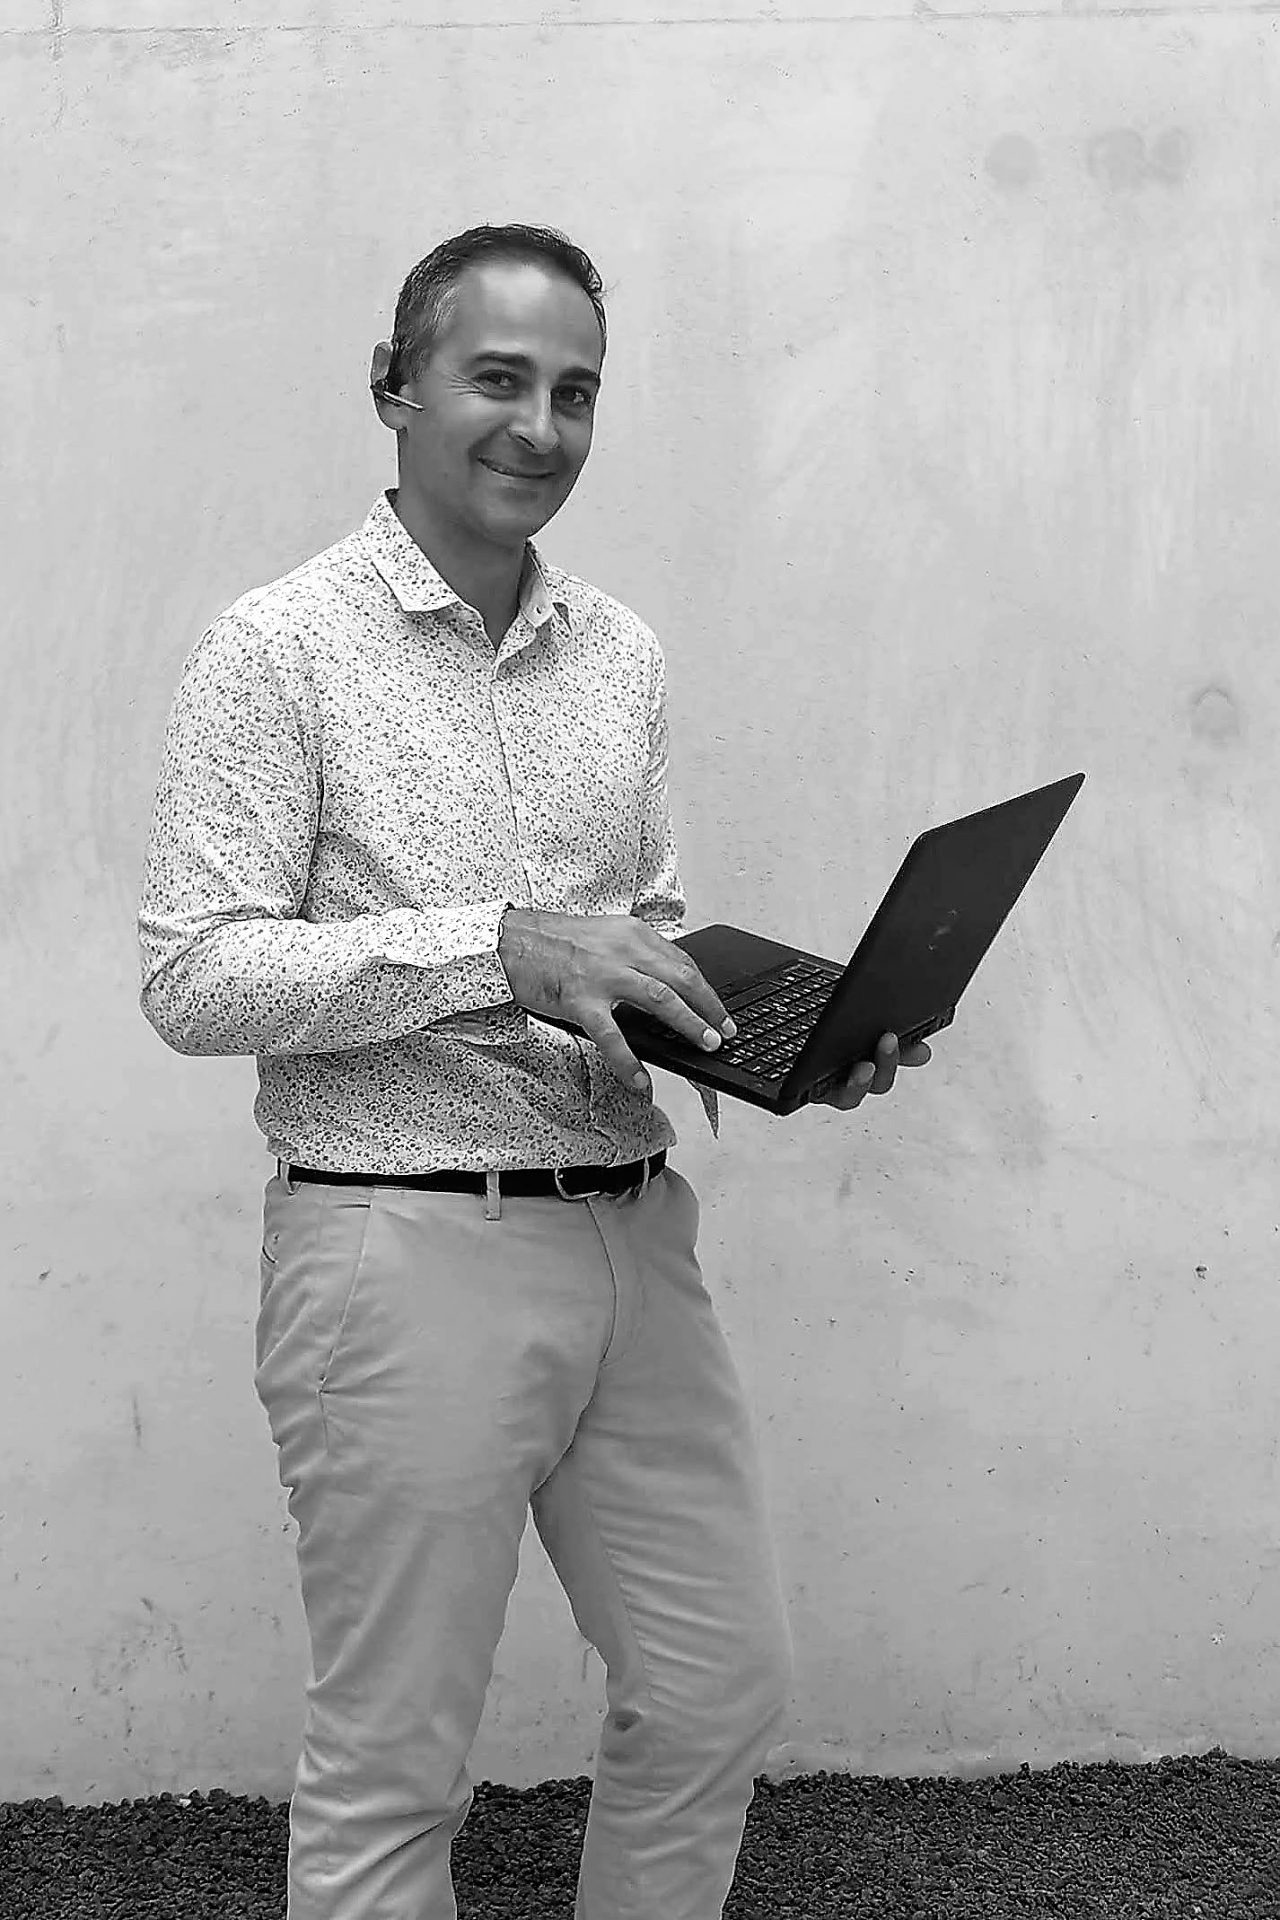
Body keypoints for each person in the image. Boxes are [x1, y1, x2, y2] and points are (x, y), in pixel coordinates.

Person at [137, 223, 929, 1920]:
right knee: (393, 1765)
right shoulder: (276, 647)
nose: (541, 426)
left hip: (635, 1233)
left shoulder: (620, 652)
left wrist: (781, 1040)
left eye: (576, 390)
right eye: (497, 378)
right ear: (395, 387)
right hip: (399, 1246)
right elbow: (194, 976)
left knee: (716, 1686)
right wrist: (497, 946)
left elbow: (634, 930)